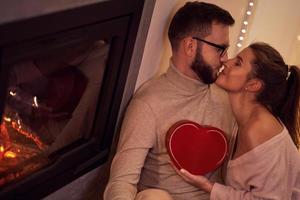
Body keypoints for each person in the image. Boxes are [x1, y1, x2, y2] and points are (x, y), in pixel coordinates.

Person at [104, 2, 236, 200]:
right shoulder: (149, 103)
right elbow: (121, 182)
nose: (226, 59)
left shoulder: (229, 98)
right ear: (190, 46)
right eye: (220, 49)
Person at [176, 42, 300, 199]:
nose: (226, 62)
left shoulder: (259, 129)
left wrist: (208, 187)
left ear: (253, 85)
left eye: (237, 63)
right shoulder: (242, 120)